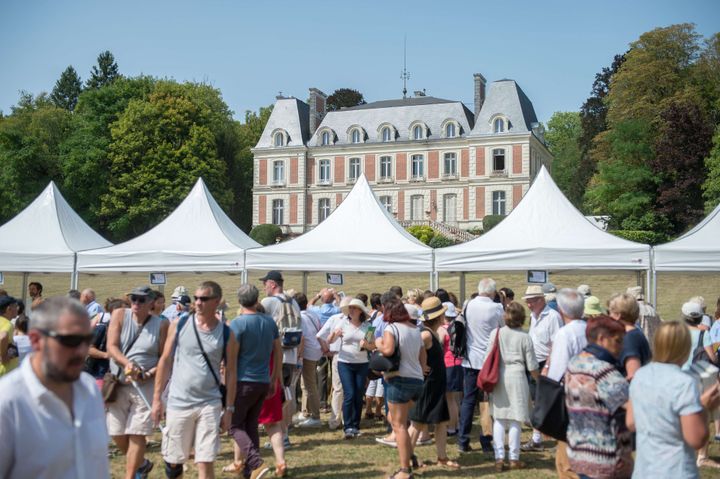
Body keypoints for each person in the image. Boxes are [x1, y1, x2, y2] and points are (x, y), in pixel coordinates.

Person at [0, 296, 109, 478]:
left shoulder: (89, 389)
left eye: (87, 339)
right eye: (71, 340)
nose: (82, 351)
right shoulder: (8, 403)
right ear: (35, 340)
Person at [151, 281, 238, 479]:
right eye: (196, 298)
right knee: (174, 461)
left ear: (216, 301)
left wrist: (230, 409)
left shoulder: (226, 333)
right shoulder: (179, 324)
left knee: (205, 460)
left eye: (204, 299)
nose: (198, 303)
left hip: (210, 403)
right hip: (179, 402)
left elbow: (231, 372)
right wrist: (157, 399)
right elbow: (165, 361)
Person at [627, 321, 720, 478]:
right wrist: (703, 407)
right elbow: (696, 438)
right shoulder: (684, 383)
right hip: (676, 470)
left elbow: (631, 422)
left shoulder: (641, 375)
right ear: (685, 347)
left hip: (645, 470)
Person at [106, 286, 169, 479]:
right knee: (116, 432)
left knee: (137, 433)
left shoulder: (161, 325)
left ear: (151, 303)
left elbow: (165, 358)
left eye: (141, 300)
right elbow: (111, 347)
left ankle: (130, 475)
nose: (136, 303)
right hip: (119, 383)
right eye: (133, 299)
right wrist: (127, 364)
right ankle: (142, 464)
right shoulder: (119, 315)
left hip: (145, 385)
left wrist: (148, 374)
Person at [565, 316, 632, 479]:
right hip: (606, 458)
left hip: (579, 452)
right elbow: (632, 408)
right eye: (618, 341)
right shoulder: (604, 371)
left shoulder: (574, 363)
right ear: (602, 339)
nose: (621, 347)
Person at [228, 284, 282, 479]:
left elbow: (231, 358)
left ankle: (256, 463)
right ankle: (251, 470)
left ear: (239, 300)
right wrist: (274, 377)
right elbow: (278, 352)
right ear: (257, 299)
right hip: (262, 380)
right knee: (250, 425)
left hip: (243, 381)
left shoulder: (237, 323)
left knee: (234, 426)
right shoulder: (269, 322)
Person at [485, 301, 539, 471]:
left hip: (498, 377)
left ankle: (499, 457)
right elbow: (532, 366)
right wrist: (541, 381)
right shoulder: (525, 336)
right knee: (516, 419)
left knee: (499, 418)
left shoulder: (496, 333)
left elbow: (487, 357)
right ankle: (514, 458)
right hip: (517, 377)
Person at [377, 296, 426, 479]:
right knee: (397, 420)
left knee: (399, 425)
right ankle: (409, 455)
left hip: (399, 379)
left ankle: (405, 471)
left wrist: (378, 343)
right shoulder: (416, 329)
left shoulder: (391, 328)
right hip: (417, 380)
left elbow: (388, 350)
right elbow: (423, 359)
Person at [409, 297, 460, 470]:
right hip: (428, 386)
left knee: (441, 422)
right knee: (417, 423)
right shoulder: (425, 334)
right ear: (439, 316)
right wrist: (420, 366)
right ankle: (406, 460)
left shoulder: (433, 333)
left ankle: (442, 457)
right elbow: (410, 352)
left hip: (437, 385)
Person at [545, 288, 588, 479]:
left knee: (565, 460)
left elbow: (558, 370)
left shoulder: (564, 334)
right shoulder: (590, 329)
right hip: (590, 393)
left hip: (570, 394)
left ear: (561, 309)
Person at [458, 278, 504, 453]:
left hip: (470, 358)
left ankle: (463, 440)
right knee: (486, 402)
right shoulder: (497, 308)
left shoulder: (468, 304)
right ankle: (486, 441)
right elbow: (502, 327)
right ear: (492, 292)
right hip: (489, 360)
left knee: (468, 400)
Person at [259, 271, 303, 449]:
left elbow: (260, 326)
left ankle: (281, 436)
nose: (264, 288)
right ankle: (284, 434)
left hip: (276, 356)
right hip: (291, 354)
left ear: (272, 284)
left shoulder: (268, 302)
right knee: (286, 394)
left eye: (265, 284)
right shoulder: (293, 301)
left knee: (277, 397)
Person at [523, 284, 563, 451]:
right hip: (533, 362)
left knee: (546, 401)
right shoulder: (533, 315)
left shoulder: (553, 317)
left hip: (545, 363)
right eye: (527, 301)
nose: (528, 304)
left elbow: (557, 344)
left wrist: (547, 365)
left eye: (531, 301)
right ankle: (539, 437)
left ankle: (544, 438)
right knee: (536, 400)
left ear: (541, 300)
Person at [327, 298, 374, 438]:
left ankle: (355, 425)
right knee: (349, 394)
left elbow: (373, 346)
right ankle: (348, 427)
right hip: (344, 363)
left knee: (359, 395)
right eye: (350, 308)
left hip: (362, 363)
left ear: (360, 311)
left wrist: (366, 345)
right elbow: (330, 341)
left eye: (354, 308)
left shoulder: (369, 326)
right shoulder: (343, 323)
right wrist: (333, 335)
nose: (351, 310)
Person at [316, 297, 352, 431]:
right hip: (340, 355)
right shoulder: (336, 319)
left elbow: (319, 336)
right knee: (339, 388)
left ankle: (345, 419)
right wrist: (327, 348)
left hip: (355, 357)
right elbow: (320, 335)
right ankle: (336, 419)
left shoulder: (360, 322)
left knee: (346, 389)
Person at [85, 298, 128, 388]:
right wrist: (108, 355)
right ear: (114, 313)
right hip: (100, 375)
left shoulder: (128, 331)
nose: (128, 313)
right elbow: (89, 349)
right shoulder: (102, 329)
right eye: (124, 311)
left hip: (120, 377)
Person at [294, 292, 323, 428]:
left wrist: (298, 356)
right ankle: (307, 412)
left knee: (309, 384)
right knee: (306, 384)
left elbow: (301, 338)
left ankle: (316, 416)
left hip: (308, 352)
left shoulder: (300, 317)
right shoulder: (312, 314)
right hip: (315, 350)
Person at [608, 293, 651, 381]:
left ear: (618, 315)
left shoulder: (630, 338)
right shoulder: (634, 333)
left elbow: (633, 375)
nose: (608, 316)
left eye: (610, 312)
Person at [439, 301, 462, 436]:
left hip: (448, 364)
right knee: (456, 398)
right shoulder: (457, 326)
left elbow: (440, 346)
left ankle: (451, 427)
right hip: (458, 363)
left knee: (449, 399)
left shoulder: (443, 329)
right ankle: (457, 423)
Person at [0, 296, 19, 376]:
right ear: (9, 309)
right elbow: (2, 337)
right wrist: (3, 355)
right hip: (4, 371)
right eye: (15, 306)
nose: (17, 308)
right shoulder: (7, 324)